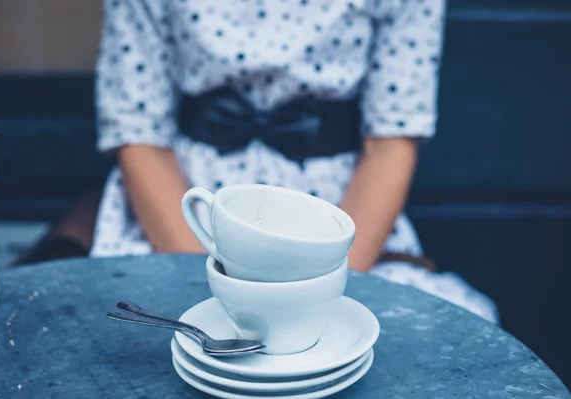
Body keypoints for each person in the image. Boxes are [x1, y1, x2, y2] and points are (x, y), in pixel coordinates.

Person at [91, 0, 498, 323]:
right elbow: (139, 136)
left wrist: (323, 293)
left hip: (342, 220)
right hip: (184, 214)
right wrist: (215, 285)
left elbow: (392, 143)